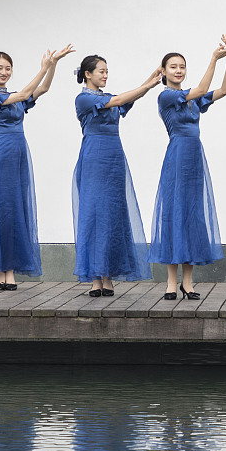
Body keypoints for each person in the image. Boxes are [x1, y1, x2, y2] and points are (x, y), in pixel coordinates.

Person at [0, 45, 75, 289]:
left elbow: (43, 89)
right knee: (0, 210)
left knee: (16, 209)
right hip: (2, 153)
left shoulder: (16, 98)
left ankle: (10, 270)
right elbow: (24, 94)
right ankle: (0, 270)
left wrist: (53, 65)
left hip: (19, 154)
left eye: (8, 68)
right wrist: (42, 67)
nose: (4, 72)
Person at [148, 35, 226, 300]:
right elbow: (201, 88)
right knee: (174, 215)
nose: (178, 70)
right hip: (177, 157)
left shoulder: (192, 98)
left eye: (182, 66)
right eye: (173, 67)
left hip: (195, 158)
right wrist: (214, 58)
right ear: (164, 71)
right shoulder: (166, 96)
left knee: (192, 216)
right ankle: (170, 282)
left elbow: (224, 90)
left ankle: (188, 282)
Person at [72, 55, 161, 296]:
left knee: (112, 215)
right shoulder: (84, 98)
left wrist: (150, 80)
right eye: (101, 71)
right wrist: (148, 84)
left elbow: (127, 99)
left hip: (113, 159)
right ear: (87, 74)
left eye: (106, 71)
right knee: (94, 215)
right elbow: (121, 99)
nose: (105, 75)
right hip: (94, 158)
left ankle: (108, 276)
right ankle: (95, 278)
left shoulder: (107, 98)